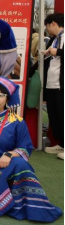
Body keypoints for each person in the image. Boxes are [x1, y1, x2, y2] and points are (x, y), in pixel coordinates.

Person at [0, 77, 62, 222]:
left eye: (1, 95)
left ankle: (8, 194)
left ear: (7, 99)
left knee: (21, 164)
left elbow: (24, 147)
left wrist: (9, 154)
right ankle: (9, 193)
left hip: (5, 166)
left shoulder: (17, 122)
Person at [43, 13, 64, 158]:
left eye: (47, 26)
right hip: (51, 83)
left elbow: (58, 52)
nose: (47, 30)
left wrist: (58, 51)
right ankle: (61, 144)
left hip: (62, 84)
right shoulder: (53, 39)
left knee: (62, 114)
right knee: (54, 115)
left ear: (53, 23)